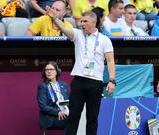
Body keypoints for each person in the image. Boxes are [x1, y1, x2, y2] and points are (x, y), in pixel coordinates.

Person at [45, 7, 116, 135]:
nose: (82, 24)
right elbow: (64, 28)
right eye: (81, 21)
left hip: (95, 83)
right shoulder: (77, 35)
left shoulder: (105, 40)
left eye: (85, 21)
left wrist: (112, 80)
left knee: (92, 118)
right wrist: (54, 17)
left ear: (94, 22)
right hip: (79, 81)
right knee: (73, 116)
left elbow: (110, 61)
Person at [37, 61, 69, 130]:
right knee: (71, 122)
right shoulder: (43, 86)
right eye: (46, 70)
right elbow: (43, 106)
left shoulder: (63, 85)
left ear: (57, 71)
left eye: (51, 69)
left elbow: (68, 101)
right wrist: (58, 112)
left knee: (78, 118)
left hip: (65, 113)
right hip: (51, 117)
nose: (49, 71)